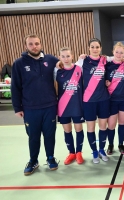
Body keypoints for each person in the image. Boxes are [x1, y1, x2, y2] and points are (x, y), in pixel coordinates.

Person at [11, 34, 59, 175]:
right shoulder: (19, 63)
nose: (34, 46)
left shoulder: (51, 60)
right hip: (30, 108)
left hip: (50, 106)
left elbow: (67, 65)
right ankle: (33, 160)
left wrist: (81, 58)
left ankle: (50, 158)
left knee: (50, 135)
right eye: (31, 44)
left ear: (41, 44)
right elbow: (15, 87)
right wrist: (17, 107)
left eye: (37, 43)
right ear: (26, 46)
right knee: (33, 136)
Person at [75, 38, 110, 164]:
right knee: (91, 128)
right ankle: (94, 150)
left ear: (101, 48)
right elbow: (68, 67)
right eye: (92, 47)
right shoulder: (83, 61)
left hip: (103, 99)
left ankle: (101, 149)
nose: (95, 49)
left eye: (97, 47)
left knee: (103, 127)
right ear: (89, 48)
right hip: (88, 100)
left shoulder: (105, 60)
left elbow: (119, 57)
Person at [54, 47, 85, 165]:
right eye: (63, 56)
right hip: (63, 107)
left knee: (79, 129)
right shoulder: (57, 71)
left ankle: (79, 153)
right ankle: (71, 153)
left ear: (72, 56)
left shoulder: (79, 68)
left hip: (77, 105)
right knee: (67, 131)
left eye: (68, 56)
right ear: (59, 58)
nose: (66, 59)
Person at [105, 42, 124, 154]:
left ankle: (121, 144)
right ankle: (110, 145)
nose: (119, 54)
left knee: (122, 123)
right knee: (111, 125)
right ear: (113, 52)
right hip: (111, 100)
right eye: (117, 52)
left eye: (121, 52)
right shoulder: (108, 65)